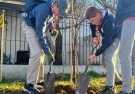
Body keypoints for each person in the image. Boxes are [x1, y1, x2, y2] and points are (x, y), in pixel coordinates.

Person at [22, 0, 70, 93]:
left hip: (35, 26)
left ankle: (39, 81)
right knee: (36, 53)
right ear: (56, 5)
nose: (59, 14)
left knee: (41, 52)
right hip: (29, 26)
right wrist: (48, 52)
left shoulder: (51, 9)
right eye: (60, 12)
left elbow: (48, 20)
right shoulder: (44, 9)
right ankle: (29, 85)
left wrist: (51, 27)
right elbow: (40, 33)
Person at [85, 7, 121, 94]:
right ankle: (118, 81)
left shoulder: (109, 21)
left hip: (116, 38)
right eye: (91, 21)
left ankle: (110, 88)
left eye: (93, 20)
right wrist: (94, 36)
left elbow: (107, 42)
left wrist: (95, 54)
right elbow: (92, 25)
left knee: (108, 58)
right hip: (108, 39)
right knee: (104, 62)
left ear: (98, 14)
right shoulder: (96, 18)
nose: (92, 22)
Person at [115, 0, 135, 94]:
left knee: (124, 54)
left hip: (130, 19)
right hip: (130, 19)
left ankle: (126, 90)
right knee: (133, 57)